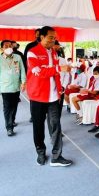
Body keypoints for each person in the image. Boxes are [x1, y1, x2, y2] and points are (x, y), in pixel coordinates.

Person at [27, 26, 72, 166]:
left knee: (56, 126)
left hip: (53, 96)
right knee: (38, 127)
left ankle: (56, 156)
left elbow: (55, 74)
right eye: (50, 37)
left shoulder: (53, 52)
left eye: (54, 38)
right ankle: (40, 152)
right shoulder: (32, 52)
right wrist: (58, 68)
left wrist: (60, 90)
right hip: (38, 96)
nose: (53, 40)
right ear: (41, 37)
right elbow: (39, 72)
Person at [0, 40, 26, 136]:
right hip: (5, 87)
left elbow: (22, 70)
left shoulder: (17, 57)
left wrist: (23, 82)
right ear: (2, 48)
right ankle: (9, 127)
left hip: (16, 86)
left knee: (14, 105)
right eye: (6, 46)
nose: (8, 48)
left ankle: (12, 120)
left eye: (10, 45)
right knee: (7, 107)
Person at [24, 28, 41, 123]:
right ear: (35, 35)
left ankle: (43, 113)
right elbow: (25, 61)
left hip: (44, 75)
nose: (38, 36)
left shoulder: (47, 47)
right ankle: (33, 115)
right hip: (32, 76)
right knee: (33, 96)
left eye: (40, 34)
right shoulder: (30, 46)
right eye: (37, 34)